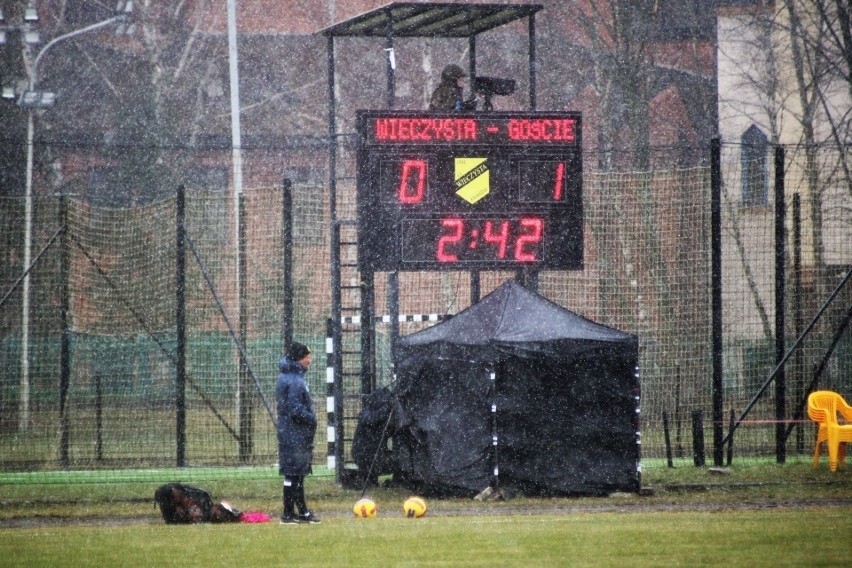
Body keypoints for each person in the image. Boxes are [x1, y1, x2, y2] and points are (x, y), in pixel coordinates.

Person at [276, 341, 320, 524]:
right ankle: (289, 514)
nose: (310, 360)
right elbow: (294, 408)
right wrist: (311, 418)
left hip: (292, 433)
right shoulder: (294, 380)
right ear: (299, 358)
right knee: (294, 473)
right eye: (307, 356)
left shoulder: (289, 377)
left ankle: (300, 512)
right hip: (295, 434)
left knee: (295, 473)